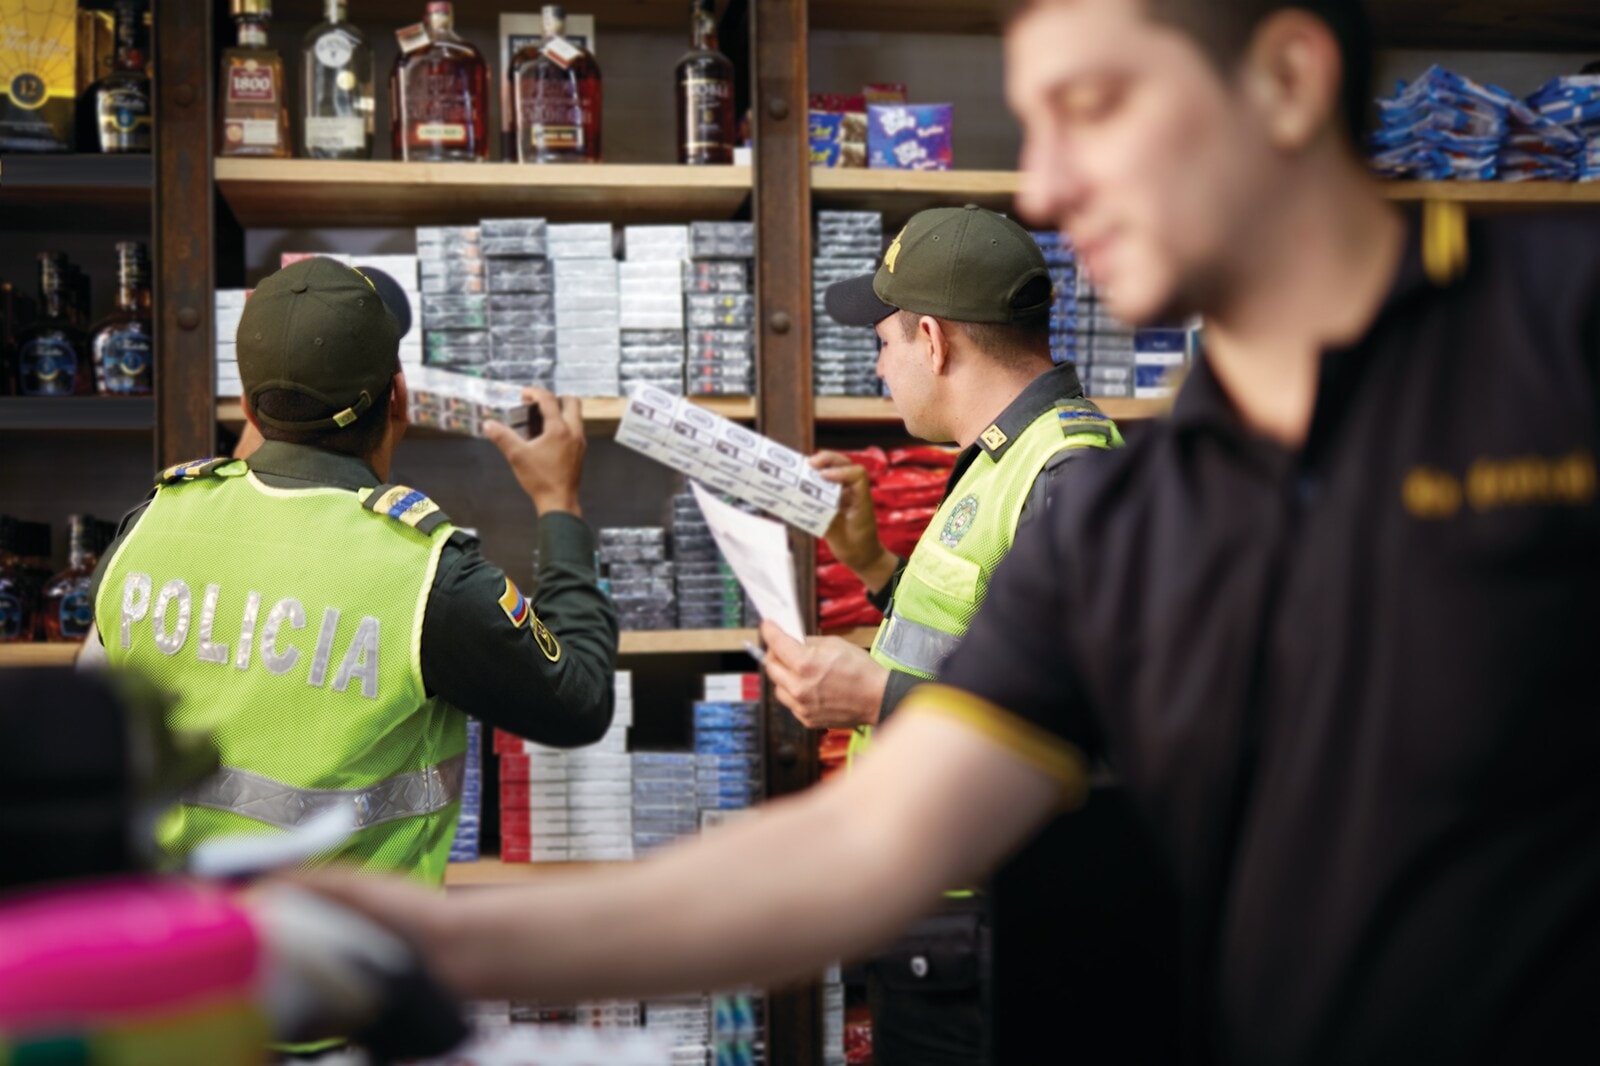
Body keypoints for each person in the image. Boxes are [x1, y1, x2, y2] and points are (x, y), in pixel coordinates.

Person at [300, 0, 1600, 1060]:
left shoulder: (1562, 343)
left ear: (1288, 78)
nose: (1045, 179)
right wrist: (414, 939)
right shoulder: (1144, 507)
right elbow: (867, 844)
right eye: (1032, 120)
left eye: (1094, 104)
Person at [85, 256, 618, 887]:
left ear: (251, 414)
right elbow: (581, 701)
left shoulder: (149, 525)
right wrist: (560, 504)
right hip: (350, 964)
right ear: (399, 398)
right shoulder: (427, 576)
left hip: (178, 951)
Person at [761, 204, 1122, 1065]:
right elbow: (993, 652)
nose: (879, 366)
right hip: (947, 906)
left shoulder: (1066, 473)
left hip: (1003, 926)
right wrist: (874, 565)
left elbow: (1094, 738)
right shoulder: (1006, 455)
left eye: (883, 342)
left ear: (934, 340)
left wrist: (872, 693)